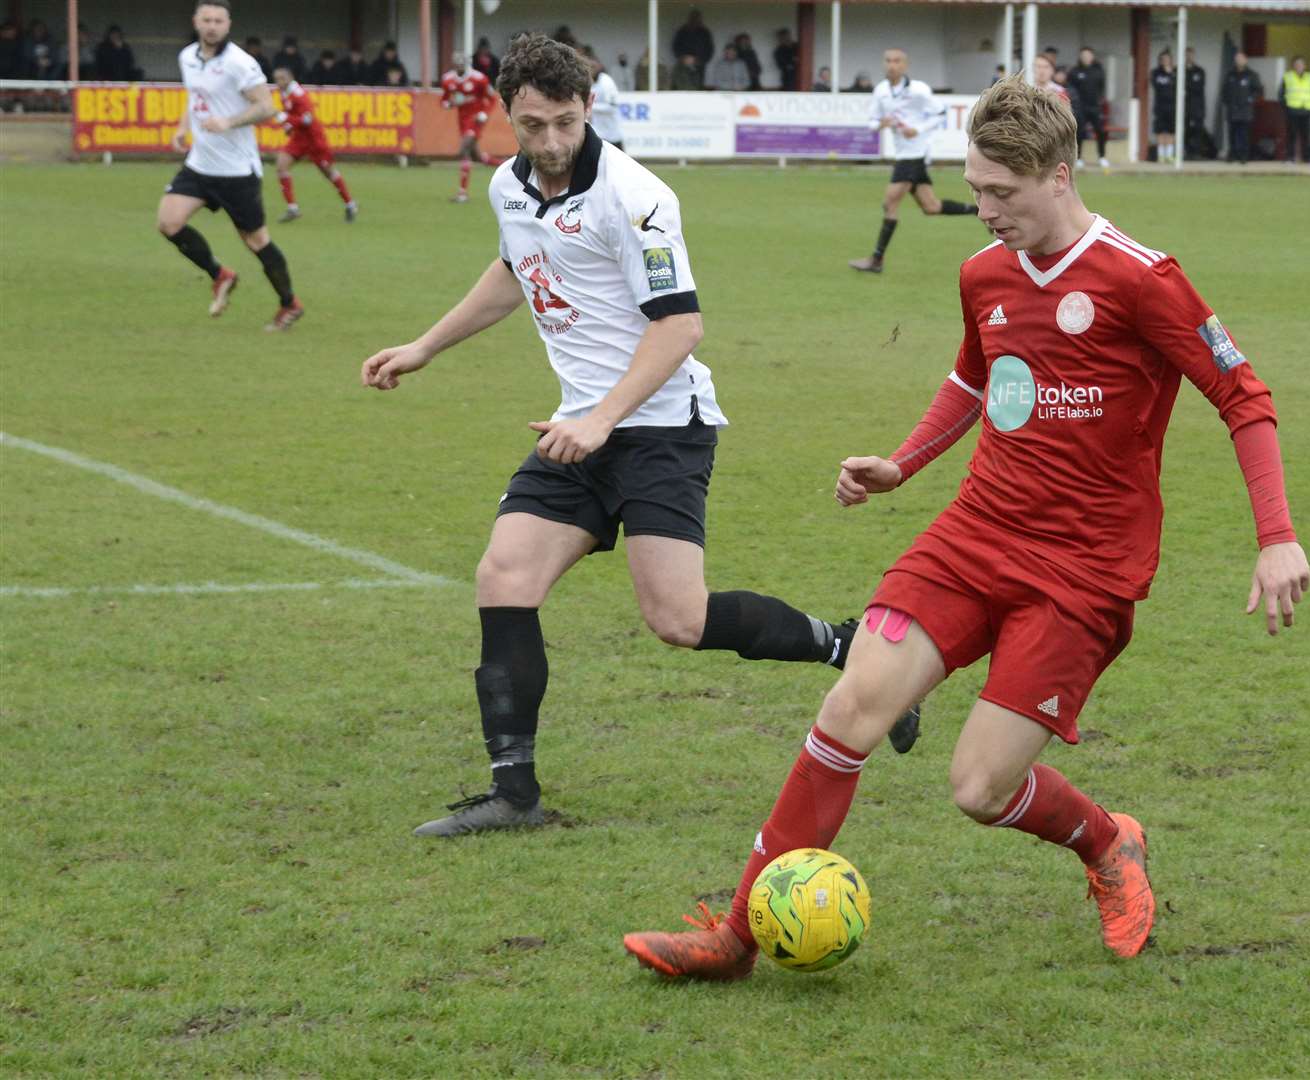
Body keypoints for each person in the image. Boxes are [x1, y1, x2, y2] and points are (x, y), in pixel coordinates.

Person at [623, 74, 1310, 982]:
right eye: (976, 188)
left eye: (1002, 193)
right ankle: (737, 936)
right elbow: (974, 379)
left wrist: (1276, 534)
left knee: (978, 788)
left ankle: (1109, 843)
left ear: (1060, 176)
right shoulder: (982, 272)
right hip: (975, 535)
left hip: (1083, 572)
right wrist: (902, 463)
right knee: (850, 706)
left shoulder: (1142, 280)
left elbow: (1242, 393)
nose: (983, 211)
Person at [360, 34, 920, 839]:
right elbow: (518, 268)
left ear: (589, 108)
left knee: (678, 620)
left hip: (661, 429)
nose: (550, 143)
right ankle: (514, 795)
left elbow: (679, 327)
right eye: (531, 125)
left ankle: (850, 645)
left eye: (563, 122)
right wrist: (424, 346)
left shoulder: (638, 196)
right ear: (506, 116)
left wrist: (599, 420)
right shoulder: (507, 188)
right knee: (504, 575)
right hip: (578, 429)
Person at [159, 2, 301, 332]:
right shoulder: (187, 57)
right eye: (206, 20)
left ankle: (289, 303)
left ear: (228, 24)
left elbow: (266, 107)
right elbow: (194, 97)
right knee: (168, 222)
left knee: (256, 241)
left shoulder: (240, 63)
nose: (212, 26)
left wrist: (229, 121)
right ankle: (220, 274)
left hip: (236, 171)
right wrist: (183, 127)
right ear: (196, 21)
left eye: (218, 21)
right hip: (199, 165)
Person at [848, 48, 977, 274]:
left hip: (914, 155)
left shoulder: (919, 90)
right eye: (888, 60)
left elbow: (939, 113)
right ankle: (976, 210)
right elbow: (871, 122)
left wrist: (916, 130)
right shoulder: (881, 91)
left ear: (905, 65)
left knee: (890, 204)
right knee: (931, 207)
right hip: (904, 155)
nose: (892, 65)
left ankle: (876, 260)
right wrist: (881, 123)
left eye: (897, 61)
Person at [271, 64, 358, 223]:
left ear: (290, 78)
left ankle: (350, 204)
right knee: (281, 165)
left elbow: (307, 119)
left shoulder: (299, 95)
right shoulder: (284, 92)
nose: (278, 82)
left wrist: (286, 119)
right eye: (276, 79)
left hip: (314, 139)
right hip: (299, 138)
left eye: (282, 78)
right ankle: (292, 208)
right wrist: (289, 126)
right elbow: (294, 116)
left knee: (328, 171)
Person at [443, 52, 500, 202]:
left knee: (463, 150)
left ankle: (462, 193)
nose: (460, 66)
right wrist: (449, 104)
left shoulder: (479, 79)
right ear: (454, 64)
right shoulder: (448, 80)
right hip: (462, 120)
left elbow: (492, 98)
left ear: (467, 63)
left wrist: (484, 113)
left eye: (462, 63)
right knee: (478, 157)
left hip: (476, 119)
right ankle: (507, 165)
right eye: (457, 63)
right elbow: (444, 100)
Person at [1066, 46, 1109, 168]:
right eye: (1083, 55)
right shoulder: (1075, 71)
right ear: (1080, 57)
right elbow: (1070, 88)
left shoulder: (1098, 70)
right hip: (1080, 108)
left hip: (1095, 107)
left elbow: (1101, 87)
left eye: (1088, 55)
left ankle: (1102, 156)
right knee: (1080, 132)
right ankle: (1078, 158)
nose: (1086, 57)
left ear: (1092, 56)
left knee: (1100, 131)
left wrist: (1099, 101)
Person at [1221, 52, 1263, 164]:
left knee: (1244, 134)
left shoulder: (1252, 75)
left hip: (1245, 111)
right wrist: (1227, 102)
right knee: (1232, 134)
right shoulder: (1230, 74)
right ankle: (1232, 154)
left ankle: (1243, 156)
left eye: (1241, 59)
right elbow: (1224, 91)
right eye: (1237, 59)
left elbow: (1258, 91)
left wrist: (1250, 99)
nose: (1239, 61)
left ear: (1245, 60)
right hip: (1232, 110)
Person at [1281, 55, 1310, 164]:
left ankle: (1307, 158)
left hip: (1306, 110)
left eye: (1301, 64)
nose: (1299, 66)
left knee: (1306, 136)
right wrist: (1286, 108)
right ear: (1293, 66)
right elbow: (1281, 94)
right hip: (1292, 110)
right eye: (1297, 64)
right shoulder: (1288, 77)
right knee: (1291, 135)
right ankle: (1290, 158)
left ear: (1305, 66)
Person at [588, 52, 624, 151]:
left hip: (612, 135)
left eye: (593, 66)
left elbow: (612, 107)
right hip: (598, 134)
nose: (591, 69)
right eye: (588, 66)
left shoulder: (606, 82)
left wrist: (591, 107)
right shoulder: (588, 82)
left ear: (600, 66)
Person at [672, 9, 714, 84]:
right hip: (684, 63)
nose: (695, 20)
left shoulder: (705, 32)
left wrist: (699, 60)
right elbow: (676, 46)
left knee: (698, 86)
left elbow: (709, 49)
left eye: (697, 18)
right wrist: (683, 58)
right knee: (683, 84)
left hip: (699, 64)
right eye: (693, 18)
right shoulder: (682, 31)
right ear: (689, 18)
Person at [1150, 49, 1176, 163]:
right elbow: (1155, 85)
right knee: (1160, 131)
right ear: (1160, 61)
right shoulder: (1156, 72)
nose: (1165, 61)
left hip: (1172, 106)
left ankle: (1169, 155)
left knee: (1171, 131)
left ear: (1171, 60)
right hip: (1160, 106)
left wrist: (1170, 73)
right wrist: (1165, 73)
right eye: (1163, 59)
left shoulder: (1175, 73)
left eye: (1167, 59)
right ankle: (1161, 155)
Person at [1183, 46, 1207, 136]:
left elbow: (1199, 87)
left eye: (1191, 55)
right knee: (1184, 131)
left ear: (1194, 56)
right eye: (1187, 55)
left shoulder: (1200, 71)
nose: (1189, 57)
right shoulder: (1179, 70)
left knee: (1197, 132)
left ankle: (1195, 150)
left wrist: (1187, 87)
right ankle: (1184, 149)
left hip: (1197, 107)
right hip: (1184, 107)